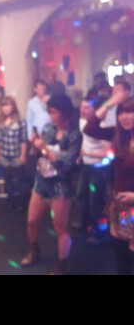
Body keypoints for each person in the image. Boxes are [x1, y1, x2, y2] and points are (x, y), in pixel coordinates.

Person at [20, 93, 82, 274]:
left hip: (60, 186)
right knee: (32, 221)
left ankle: (61, 265)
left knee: (60, 227)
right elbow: (40, 153)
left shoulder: (74, 134)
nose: (50, 115)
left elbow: (68, 163)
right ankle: (34, 251)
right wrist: (35, 145)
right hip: (41, 180)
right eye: (49, 111)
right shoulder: (48, 128)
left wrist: (44, 148)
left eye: (53, 112)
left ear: (64, 112)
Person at [84, 94, 134, 274]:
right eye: (121, 113)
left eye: (130, 112)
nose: (124, 117)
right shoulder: (119, 136)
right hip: (120, 205)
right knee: (121, 258)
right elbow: (90, 128)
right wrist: (111, 102)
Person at [74, 98, 113, 245]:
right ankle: (84, 222)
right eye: (81, 107)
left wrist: (89, 154)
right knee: (81, 195)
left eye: (86, 107)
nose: (82, 110)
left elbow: (110, 153)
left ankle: (99, 232)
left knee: (95, 201)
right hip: (86, 165)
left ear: (95, 111)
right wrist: (80, 155)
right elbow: (85, 141)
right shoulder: (82, 121)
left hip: (99, 168)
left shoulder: (103, 126)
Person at [0, 96, 28, 212]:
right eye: (3, 105)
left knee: (20, 180)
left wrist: (23, 155)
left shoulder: (20, 121)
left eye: (8, 105)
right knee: (7, 179)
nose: (5, 108)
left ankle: (21, 203)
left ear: (13, 106)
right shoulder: (0, 121)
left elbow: (23, 140)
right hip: (5, 155)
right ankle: (10, 202)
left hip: (16, 155)